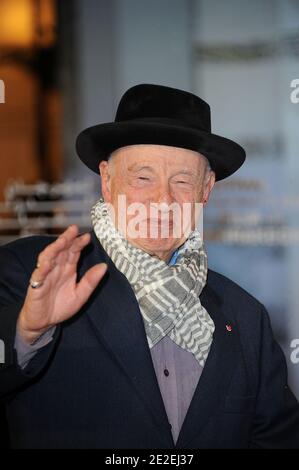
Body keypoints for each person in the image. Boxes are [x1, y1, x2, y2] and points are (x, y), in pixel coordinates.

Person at [0, 84, 298, 449]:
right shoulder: (30, 273)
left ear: (206, 190)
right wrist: (25, 332)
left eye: (183, 181)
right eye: (143, 178)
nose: (162, 200)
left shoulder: (246, 317)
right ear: (107, 181)